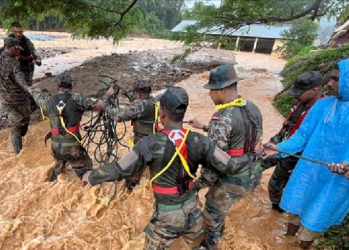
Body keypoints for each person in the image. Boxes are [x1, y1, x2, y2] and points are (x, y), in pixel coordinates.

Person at [82, 86, 263, 250]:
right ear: (182, 114)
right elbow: (230, 164)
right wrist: (253, 155)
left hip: (167, 217)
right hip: (193, 211)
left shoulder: (148, 144)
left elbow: (120, 169)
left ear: (161, 114)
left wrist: (91, 176)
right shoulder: (200, 141)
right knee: (203, 246)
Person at [263, 59, 349, 249]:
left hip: (336, 180)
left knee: (316, 219)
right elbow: (301, 136)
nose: (329, 84)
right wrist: (279, 148)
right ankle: (286, 242)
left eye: (336, 79)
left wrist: (346, 163)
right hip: (307, 171)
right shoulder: (322, 105)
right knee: (295, 209)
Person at [188, 64, 263, 249]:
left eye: (211, 91)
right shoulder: (252, 107)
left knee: (211, 214)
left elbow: (215, 165)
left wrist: (196, 186)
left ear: (222, 89)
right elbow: (242, 136)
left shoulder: (221, 118)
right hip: (253, 174)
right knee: (222, 208)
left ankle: (210, 245)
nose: (209, 95)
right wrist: (203, 127)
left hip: (234, 179)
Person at [262, 71, 325, 212]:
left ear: (314, 90)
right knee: (257, 163)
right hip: (281, 140)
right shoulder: (302, 102)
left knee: (275, 183)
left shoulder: (323, 110)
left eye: (300, 92)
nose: (297, 94)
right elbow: (289, 124)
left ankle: (277, 209)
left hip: (295, 154)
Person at [28, 71, 101, 181]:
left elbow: (37, 97)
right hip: (72, 148)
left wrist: (32, 91)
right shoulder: (77, 98)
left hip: (56, 147)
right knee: (87, 175)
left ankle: (50, 184)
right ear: (71, 86)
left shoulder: (48, 101)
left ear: (57, 87)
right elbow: (97, 104)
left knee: (58, 170)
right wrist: (108, 96)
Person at [101, 79, 161, 191]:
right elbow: (136, 102)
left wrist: (106, 99)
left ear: (138, 93)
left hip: (143, 144)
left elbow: (118, 116)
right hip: (154, 140)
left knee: (132, 173)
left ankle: (130, 191)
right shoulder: (152, 101)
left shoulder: (139, 106)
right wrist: (122, 87)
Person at [0, 37, 31, 155]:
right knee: (17, 124)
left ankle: (20, 147)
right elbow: (19, 77)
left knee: (23, 122)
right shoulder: (13, 62)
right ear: (11, 48)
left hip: (8, 101)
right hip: (18, 100)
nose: (18, 52)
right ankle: (19, 155)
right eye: (17, 49)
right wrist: (27, 88)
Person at [0, 21, 41, 113]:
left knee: (27, 88)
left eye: (20, 32)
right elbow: (3, 49)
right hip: (15, 67)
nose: (18, 34)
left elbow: (33, 50)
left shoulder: (27, 42)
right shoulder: (10, 39)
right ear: (12, 31)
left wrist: (37, 59)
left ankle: (32, 107)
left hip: (27, 67)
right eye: (16, 32)